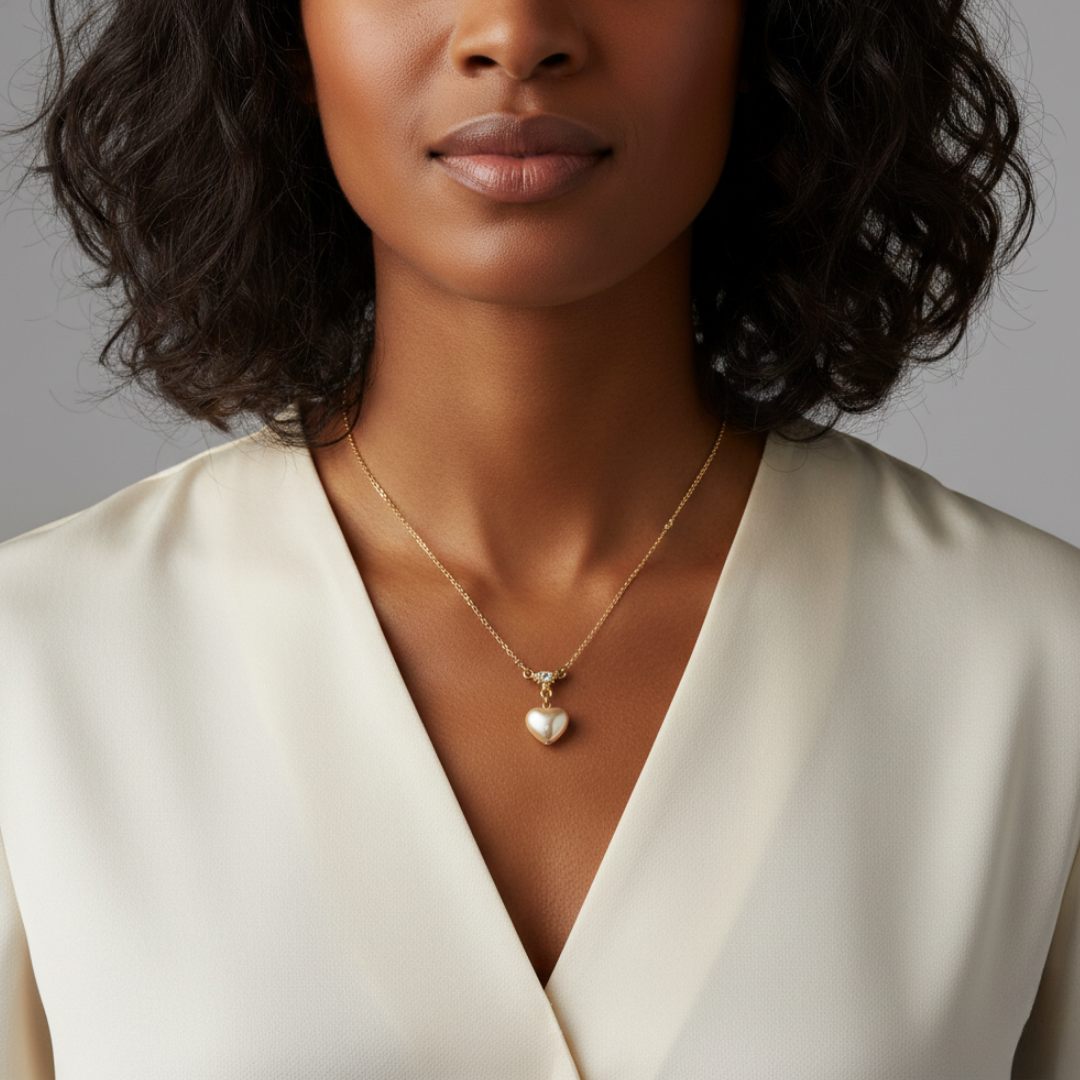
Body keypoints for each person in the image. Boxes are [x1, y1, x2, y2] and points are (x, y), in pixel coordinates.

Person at [1, 0, 1077, 1075]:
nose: (515, 34)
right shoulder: (38, 663)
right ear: (281, 36)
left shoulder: (1036, 661)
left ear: (771, 28)